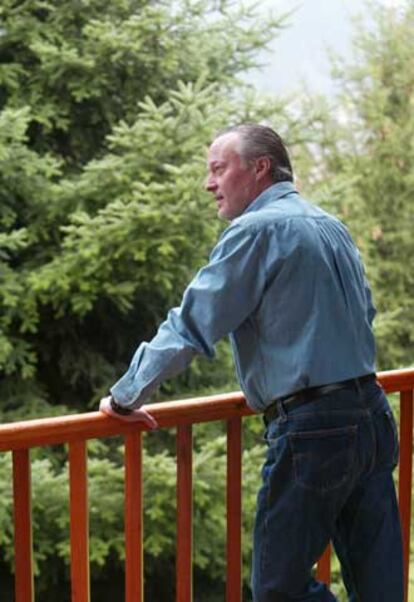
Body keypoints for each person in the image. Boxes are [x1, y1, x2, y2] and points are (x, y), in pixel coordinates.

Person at [99, 124, 403, 601]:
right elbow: (363, 314)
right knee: (379, 583)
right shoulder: (328, 224)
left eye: (219, 168)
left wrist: (124, 396)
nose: (209, 183)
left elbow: (192, 325)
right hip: (371, 415)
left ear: (259, 168)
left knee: (277, 590)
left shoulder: (257, 230)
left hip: (314, 430)